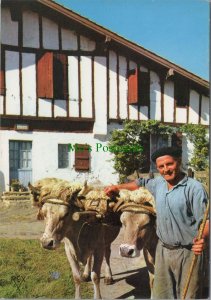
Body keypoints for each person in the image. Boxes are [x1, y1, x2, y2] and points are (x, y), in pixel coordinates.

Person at [104, 146, 209, 299]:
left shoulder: (195, 189)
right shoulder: (158, 184)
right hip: (163, 250)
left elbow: (206, 221)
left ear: (178, 162)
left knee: (188, 295)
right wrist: (117, 187)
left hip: (187, 252)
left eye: (169, 164)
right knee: (162, 294)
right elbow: (140, 183)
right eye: (161, 166)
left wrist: (204, 239)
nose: (165, 169)